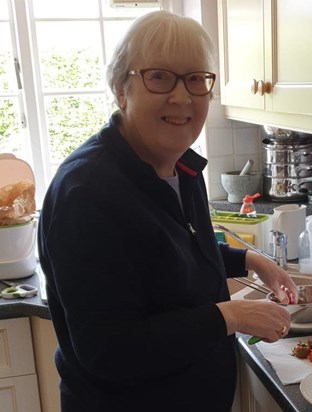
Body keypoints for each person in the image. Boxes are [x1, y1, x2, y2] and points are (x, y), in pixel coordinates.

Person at [38, 10, 298, 412]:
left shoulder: (178, 167)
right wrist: (230, 316)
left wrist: (248, 260)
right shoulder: (86, 193)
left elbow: (171, 259)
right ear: (120, 88)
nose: (182, 97)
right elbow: (108, 349)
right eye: (159, 77)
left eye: (196, 79)